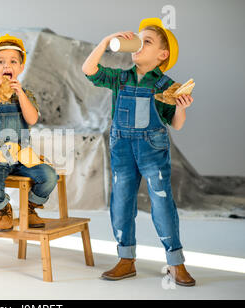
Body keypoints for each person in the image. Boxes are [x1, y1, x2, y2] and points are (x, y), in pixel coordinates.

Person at [82, 18, 196, 286]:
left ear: (162, 55)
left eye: (146, 42)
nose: (137, 45)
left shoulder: (166, 86)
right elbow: (89, 70)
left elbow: (176, 125)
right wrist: (105, 42)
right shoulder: (120, 78)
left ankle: (176, 262)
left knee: (161, 203)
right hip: (122, 148)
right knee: (121, 202)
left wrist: (181, 107)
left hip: (152, 152)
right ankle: (125, 259)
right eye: (137, 40)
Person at [0, 34, 58, 232]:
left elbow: (32, 119)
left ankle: (30, 207)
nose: (6, 66)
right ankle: (3, 209)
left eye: (13, 62)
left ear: (20, 68)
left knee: (50, 176)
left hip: (22, 156)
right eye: (0, 62)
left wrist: (20, 95)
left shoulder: (25, 95)